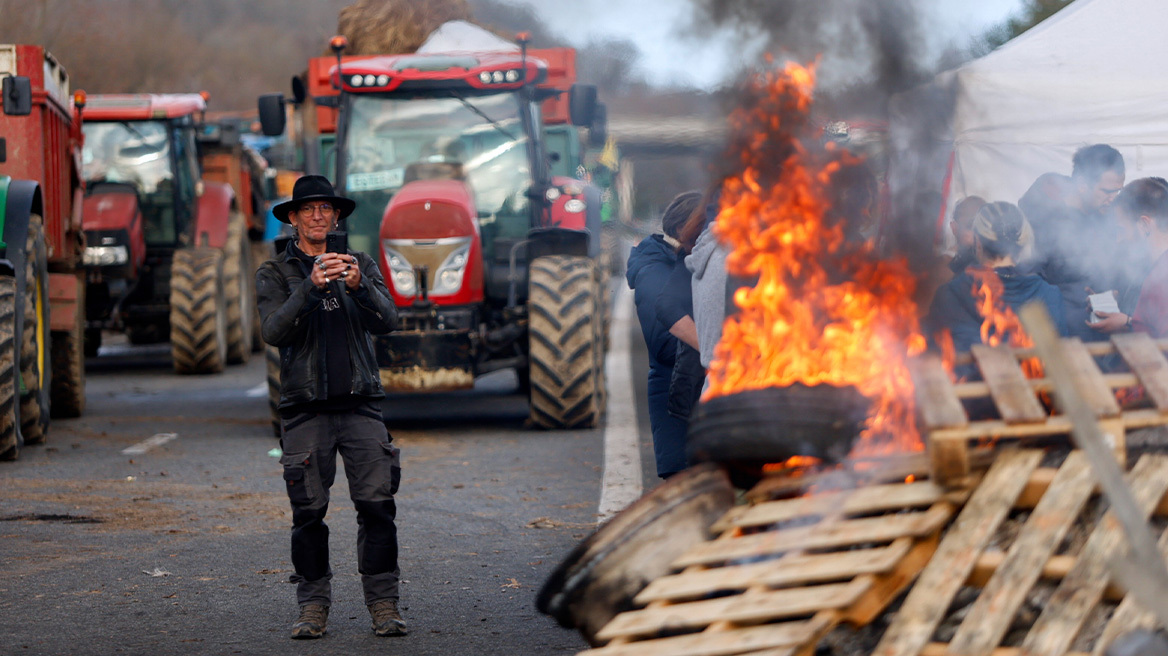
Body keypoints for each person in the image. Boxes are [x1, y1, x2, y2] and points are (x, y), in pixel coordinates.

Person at [255, 175, 405, 640]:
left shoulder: (359, 264)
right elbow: (273, 331)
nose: (318, 216)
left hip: (361, 408)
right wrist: (310, 288)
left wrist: (360, 286)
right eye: (309, 209)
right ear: (294, 219)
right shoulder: (275, 274)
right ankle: (313, 607)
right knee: (307, 515)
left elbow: (390, 321)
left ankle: (384, 605)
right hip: (304, 411)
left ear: (336, 217)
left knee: (378, 508)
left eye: (326, 209)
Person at [626, 191, 703, 478]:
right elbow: (664, 344)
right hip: (675, 400)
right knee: (685, 490)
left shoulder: (684, 261)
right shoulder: (655, 270)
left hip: (693, 395)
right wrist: (717, 349)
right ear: (685, 229)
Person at [925, 201, 1067, 353]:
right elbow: (1061, 355)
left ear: (978, 244)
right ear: (1022, 244)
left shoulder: (949, 295)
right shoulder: (1050, 295)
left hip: (973, 377)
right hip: (1034, 377)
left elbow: (933, 357)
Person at [1022, 145, 1125, 340]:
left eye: (1118, 192)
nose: (1113, 199)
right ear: (1082, 184)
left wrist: (1112, 290)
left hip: (1100, 335)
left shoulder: (1106, 219)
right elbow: (1029, 282)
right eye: (1107, 191)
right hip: (1060, 337)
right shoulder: (1046, 223)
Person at [1093, 177, 1168, 337]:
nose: (1118, 240)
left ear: (1144, 225)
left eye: (1121, 230)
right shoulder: (1155, 271)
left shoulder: (1163, 278)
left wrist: (1128, 323)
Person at [949, 196, 987, 274]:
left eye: (985, 226)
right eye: (971, 226)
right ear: (954, 228)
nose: (979, 235)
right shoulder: (944, 270)